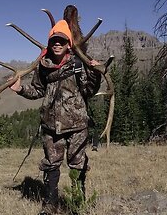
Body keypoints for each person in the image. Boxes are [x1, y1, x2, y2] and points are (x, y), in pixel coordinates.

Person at [10, 19, 101, 215]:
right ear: (50, 44)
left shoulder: (78, 64)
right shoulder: (43, 66)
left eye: (61, 40)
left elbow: (89, 90)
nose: (57, 44)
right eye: (54, 41)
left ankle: (78, 202)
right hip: (51, 126)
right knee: (51, 164)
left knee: (78, 164)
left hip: (77, 125)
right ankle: (50, 204)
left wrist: (95, 74)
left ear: (68, 43)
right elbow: (37, 90)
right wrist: (20, 89)